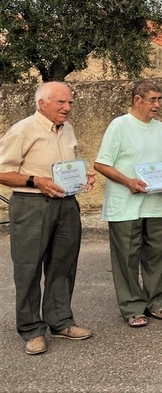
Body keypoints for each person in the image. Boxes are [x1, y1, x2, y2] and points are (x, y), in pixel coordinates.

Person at [0, 82, 96, 355]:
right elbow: (1, 170)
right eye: (61, 103)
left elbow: (67, 164)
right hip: (32, 204)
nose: (67, 108)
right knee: (28, 267)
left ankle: (60, 320)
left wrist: (83, 175)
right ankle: (31, 330)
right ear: (42, 103)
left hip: (66, 204)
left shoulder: (68, 129)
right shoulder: (23, 130)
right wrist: (35, 180)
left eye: (70, 103)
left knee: (63, 265)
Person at [94, 80, 162, 327]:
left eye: (160, 99)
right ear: (137, 100)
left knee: (156, 255)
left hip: (155, 204)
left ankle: (156, 302)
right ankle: (132, 307)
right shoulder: (119, 126)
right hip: (125, 206)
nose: (158, 105)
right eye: (153, 99)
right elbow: (101, 164)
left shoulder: (160, 128)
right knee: (127, 259)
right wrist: (128, 181)